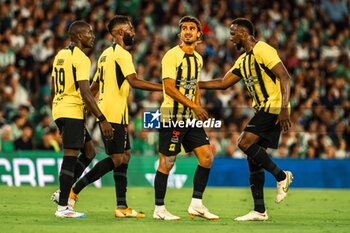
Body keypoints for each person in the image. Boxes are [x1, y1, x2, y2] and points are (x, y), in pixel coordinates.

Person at [199, 18, 293, 221]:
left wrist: (284, 108)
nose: (230, 38)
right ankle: (259, 211)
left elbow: (285, 77)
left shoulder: (263, 50)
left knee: (243, 142)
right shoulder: (242, 61)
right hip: (263, 109)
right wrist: (195, 84)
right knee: (253, 157)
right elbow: (223, 83)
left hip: (275, 106)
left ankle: (281, 176)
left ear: (243, 33)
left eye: (233, 33)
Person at [68, 15, 162, 218]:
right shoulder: (122, 55)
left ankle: (122, 206)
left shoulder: (104, 54)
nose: (133, 33)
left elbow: (94, 87)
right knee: (116, 158)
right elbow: (134, 81)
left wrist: (86, 111)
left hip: (113, 113)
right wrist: (164, 88)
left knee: (125, 155)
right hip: (112, 115)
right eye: (130, 29)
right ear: (120, 33)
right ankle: (74, 191)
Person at [153, 16, 218, 221]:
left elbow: (195, 86)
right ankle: (159, 209)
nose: (188, 31)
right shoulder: (171, 56)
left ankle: (196, 204)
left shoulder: (198, 59)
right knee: (168, 162)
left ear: (199, 33)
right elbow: (169, 88)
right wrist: (194, 107)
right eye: (184, 28)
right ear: (180, 33)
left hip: (190, 118)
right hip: (171, 116)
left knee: (207, 157)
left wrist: (197, 109)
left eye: (192, 28)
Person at [50, 20, 114, 218]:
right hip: (71, 111)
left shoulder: (60, 55)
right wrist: (101, 119)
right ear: (79, 36)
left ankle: (64, 190)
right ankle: (62, 208)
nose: (92, 36)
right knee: (70, 157)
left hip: (61, 109)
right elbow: (86, 92)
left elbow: (54, 86)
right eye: (89, 33)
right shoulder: (82, 59)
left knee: (89, 151)